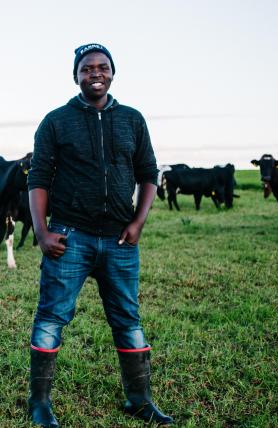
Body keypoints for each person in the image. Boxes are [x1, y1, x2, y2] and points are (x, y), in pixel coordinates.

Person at [25, 43, 173, 426]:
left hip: (120, 241)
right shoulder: (56, 121)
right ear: (75, 75)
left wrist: (138, 222)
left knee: (128, 319)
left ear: (112, 73)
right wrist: (42, 232)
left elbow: (148, 172)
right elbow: (39, 178)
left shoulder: (132, 119)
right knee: (51, 319)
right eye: (87, 68)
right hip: (69, 237)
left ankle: (138, 400)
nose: (95, 73)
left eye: (102, 67)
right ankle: (39, 404)